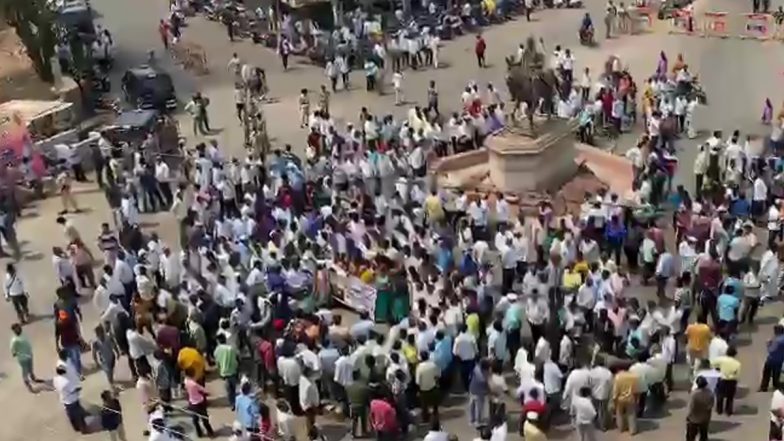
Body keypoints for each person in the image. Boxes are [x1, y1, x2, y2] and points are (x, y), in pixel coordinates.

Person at [184, 367, 216, 437]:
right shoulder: (194, 384)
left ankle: (199, 434)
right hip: (199, 403)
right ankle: (210, 433)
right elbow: (203, 390)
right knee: (205, 419)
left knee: (195, 420)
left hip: (192, 403)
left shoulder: (186, 381)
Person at [53, 365, 86, 433]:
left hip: (65, 400)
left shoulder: (55, 379)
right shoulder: (66, 382)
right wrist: (79, 388)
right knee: (78, 415)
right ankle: (83, 429)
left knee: (71, 416)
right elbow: (73, 390)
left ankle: (75, 428)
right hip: (72, 400)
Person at [10, 323, 41, 392]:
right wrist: (17, 353)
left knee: (31, 368)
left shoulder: (22, 334)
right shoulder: (14, 340)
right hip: (23, 359)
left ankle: (34, 379)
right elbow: (13, 351)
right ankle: (28, 386)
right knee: (25, 372)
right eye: (17, 328)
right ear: (14, 331)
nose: (20, 329)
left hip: (29, 355)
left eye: (19, 327)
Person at [687, 376, 714, 441]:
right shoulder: (710, 393)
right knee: (703, 434)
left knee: (691, 435)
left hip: (694, 417)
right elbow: (711, 405)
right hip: (705, 418)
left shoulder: (694, 394)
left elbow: (691, 406)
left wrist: (688, 416)